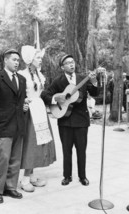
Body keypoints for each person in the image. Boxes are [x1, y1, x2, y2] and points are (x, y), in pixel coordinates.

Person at [41, 54, 101, 186]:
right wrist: (56, 98)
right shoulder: (58, 81)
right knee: (66, 150)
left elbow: (96, 93)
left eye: (72, 62)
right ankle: (67, 176)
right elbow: (44, 94)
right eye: (67, 63)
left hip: (81, 121)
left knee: (81, 150)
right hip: (64, 121)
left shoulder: (82, 79)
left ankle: (82, 176)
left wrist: (94, 81)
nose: (71, 64)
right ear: (62, 67)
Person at [0, 49, 28, 204]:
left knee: (15, 159)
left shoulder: (22, 79)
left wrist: (24, 107)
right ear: (6, 61)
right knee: (3, 158)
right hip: (4, 125)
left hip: (19, 124)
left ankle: (10, 187)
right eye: (14, 60)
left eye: (18, 60)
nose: (17, 62)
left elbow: (21, 101)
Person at [18, 45, 56, 192]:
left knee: (38, 143)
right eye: (38, 57)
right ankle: (25, 179)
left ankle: (31, 175)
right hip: (29, 112)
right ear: (29, 59)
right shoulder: (22, 75)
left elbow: (41, 93)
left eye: (41, 57)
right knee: (31, 144)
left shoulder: (39, 75)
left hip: (39, 110)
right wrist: (23, 104)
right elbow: (18, 95)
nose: (40, 60)